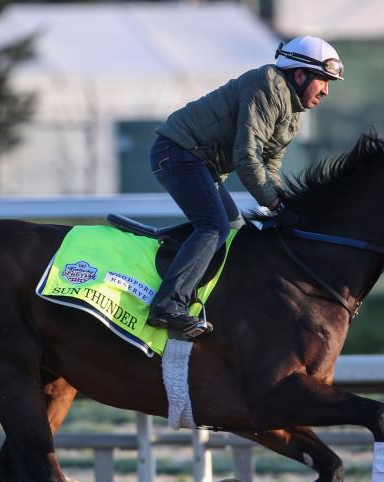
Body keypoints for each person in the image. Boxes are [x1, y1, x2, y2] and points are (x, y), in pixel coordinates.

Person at [146, 35, 344, 337]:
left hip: (198, 163)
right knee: (213, 226)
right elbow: (246, 155)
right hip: (177, 152)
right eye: (323, 80)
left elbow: (270, 166)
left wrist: (285, 204)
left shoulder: (293, 113)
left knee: (234, 226)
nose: (327, 91)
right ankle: (168, 304)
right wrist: (275, 204)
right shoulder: (267, 84)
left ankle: (207, 298)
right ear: (300, 74)